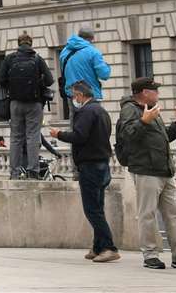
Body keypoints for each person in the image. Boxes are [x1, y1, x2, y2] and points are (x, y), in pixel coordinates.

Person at [116, 77, 176, 270]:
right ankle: (150, 254)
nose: (158, 94)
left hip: (163, 169)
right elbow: (127, 136)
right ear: (145, 92)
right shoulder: (130, 110)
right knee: (147, 214)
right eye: (155, 90)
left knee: (173, 213)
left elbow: (162, 138)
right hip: (146, 169)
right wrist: (143, 122)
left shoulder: (152, 110)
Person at [49, 80, 117, 262]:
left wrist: (59, 134)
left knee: (92, 210)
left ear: (79, 95)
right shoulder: (101, 111)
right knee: (97, 207)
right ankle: (98, 246)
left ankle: (109, 247)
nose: (73, 100)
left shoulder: (85, 112)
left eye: (73, 96)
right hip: (102, 163)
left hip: (90, 165)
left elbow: (79, 136)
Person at [0, 34, 53, 179]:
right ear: (31, 44)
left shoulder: (10, 59)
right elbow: (50, 80)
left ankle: (14, 172)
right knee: (33, 136)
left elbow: (1, 80)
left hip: (15, 103)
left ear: (18, 44)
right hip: (34, 104)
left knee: (16, 138)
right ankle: (33, 171)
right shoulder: (37, 59)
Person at [59, 26, 111, 101]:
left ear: (79, 35)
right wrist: (106, 66)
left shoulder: (64, 51)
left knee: (74, 113)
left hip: (72, 95)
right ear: (92, 38)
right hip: (90, 95)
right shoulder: (93, 52)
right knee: (91, 112)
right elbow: (104, 75)